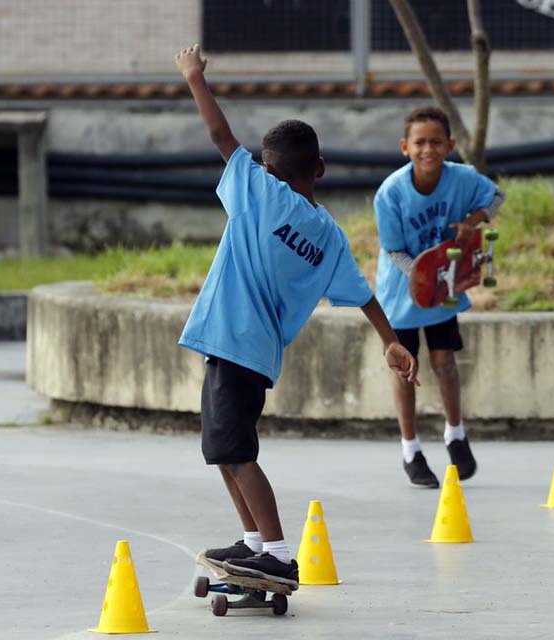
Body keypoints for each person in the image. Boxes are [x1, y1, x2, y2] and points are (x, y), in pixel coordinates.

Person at [173, 45, 418, 585]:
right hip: (258, 354)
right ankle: (254, 542)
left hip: (232, 341)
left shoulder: (257, 192)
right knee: (225, 450)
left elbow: (219, 137)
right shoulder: (327, 234)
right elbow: (361, 293)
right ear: (321, 170)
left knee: (234, 453)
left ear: (265, 168)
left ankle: (279, 553)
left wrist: (194, 77)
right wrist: (391, 341)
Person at [373, 106, 505, 488]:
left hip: (443, 290)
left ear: (450, 144)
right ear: (404, 147)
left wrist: (472, 222)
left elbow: (496, 196)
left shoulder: (462, 178)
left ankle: (455, 433)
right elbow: (394, 250)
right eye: (419, 142)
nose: (427, 149)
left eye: (435, 142)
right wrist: (423, 274)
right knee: (406, 369)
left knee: (445, 361)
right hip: (403, 294)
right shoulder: (390, 194)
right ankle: (410, 448)